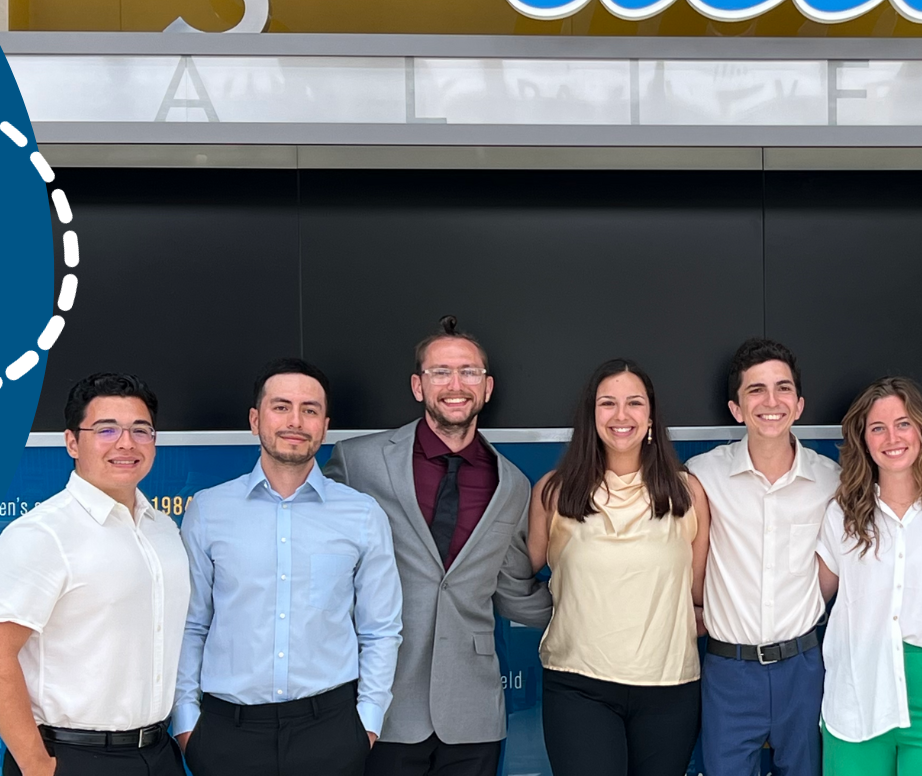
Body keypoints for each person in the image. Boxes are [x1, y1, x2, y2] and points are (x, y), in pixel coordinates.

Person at [330, 316, 555, 776]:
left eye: (469, 372)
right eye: (441, 372)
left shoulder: (510, 484)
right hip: (381, 709)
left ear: (487, 387)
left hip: (473, 713)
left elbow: (511, 589)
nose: (456, 384)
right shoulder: (360, 462)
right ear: (418, 385)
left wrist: (593, 610)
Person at [177, 358, 405, 776]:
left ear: (324, 424)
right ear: (255, 419)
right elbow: (191, 625)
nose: (295, 421)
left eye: (310, 409)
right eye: (281, 407)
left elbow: (380, 630)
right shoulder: (208, 510)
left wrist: (367, 724)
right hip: (226, 734)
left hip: (331, 732)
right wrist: (187, 725)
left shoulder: (361, 514)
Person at [0, 373, 190, 776]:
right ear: (72, 441)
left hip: (157, 754)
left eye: (141, 430)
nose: (126, 443)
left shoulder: (164, 530)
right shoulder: (42, 534)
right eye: (106, 429)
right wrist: (37, 766)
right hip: (71, 757)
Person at [526, 359, 712, 776]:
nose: (621, 415)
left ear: (651, 417)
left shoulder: (687, 494)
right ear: (591, 417)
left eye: (634, 403)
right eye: (607, 403)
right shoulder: (554, 493)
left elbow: (697, 596)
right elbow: (519, 575)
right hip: (578, 686)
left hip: (669, 689)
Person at [684, 338, 843, 776]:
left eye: (783, 388)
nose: (771, 401)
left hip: (804, 668)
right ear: (736, 408)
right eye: (756, 390)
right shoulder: (703, 474)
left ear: (799, 403)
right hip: (728, 670)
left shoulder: (832, 481)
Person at [815, 376, 922, 776]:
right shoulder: (842, 515)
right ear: (864, 440)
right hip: (857, 692)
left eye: (903, 423)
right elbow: (815, 596)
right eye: (878, 427)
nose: (892, 437)